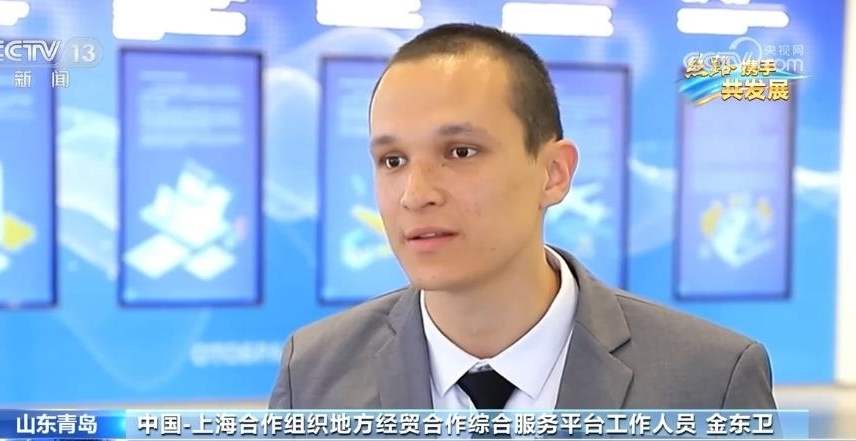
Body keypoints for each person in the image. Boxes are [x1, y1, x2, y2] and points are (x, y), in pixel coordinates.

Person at [268, 22, 777, 411]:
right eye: (393, 161)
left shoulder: (711, 383)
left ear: (553, 173)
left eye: (461, 152)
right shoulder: (313, 377)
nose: (415, 195)